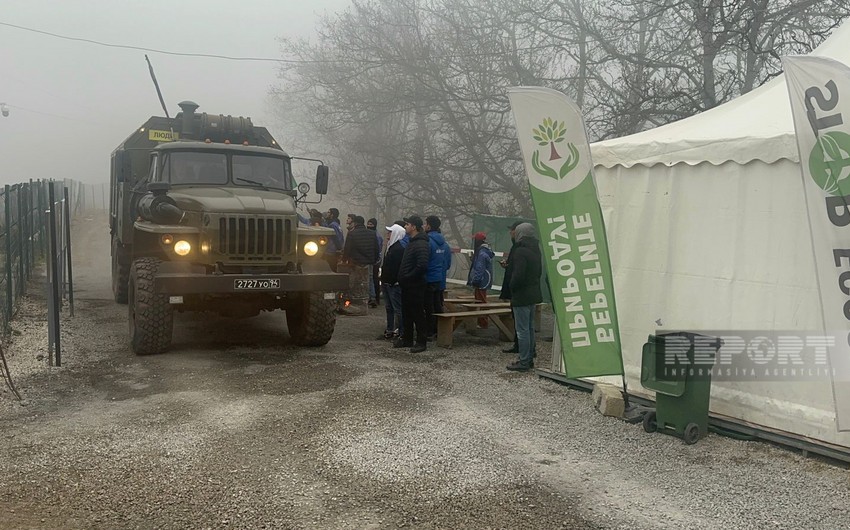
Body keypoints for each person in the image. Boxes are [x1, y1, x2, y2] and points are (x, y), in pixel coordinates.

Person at [505, 223, 543, 372]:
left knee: (521, 330)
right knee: (529, 327)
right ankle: (530, 355)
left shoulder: (520, 251)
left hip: (521, 294)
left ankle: (524, 360)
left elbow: (518, 275)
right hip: (533, 293)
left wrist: (512, 286)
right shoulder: (535, 250)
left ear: (521, 233)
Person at [395, 215, 430, 353]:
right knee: (407, 313)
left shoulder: (421, 243)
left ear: (414, 227)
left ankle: (421, 342)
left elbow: (422, 266)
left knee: (417, 314)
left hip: (415, 285)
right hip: (407, 285)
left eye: (407, 224)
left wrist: (408, 277)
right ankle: (407, 339)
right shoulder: (412, 241)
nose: (405, 227)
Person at [341, 215, 380, 315]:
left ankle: (353, 306)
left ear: (355, 223)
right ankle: (364, 305)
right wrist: (374, 260)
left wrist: (344, 260)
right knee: (366, 284)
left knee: (354, 284)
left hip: (355, 263)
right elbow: (376, 248)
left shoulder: (352, 234)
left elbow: (347, 249)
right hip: (368, 263)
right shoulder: (372, 234)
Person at [423, 215, 450, 338]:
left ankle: (429, 331)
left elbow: (424, 260)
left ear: (428, 225)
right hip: (440, 279)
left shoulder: (427, 241)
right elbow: (448, 263)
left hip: (428, 278)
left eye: (425, 223)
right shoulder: (444, 244)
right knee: (438, 304)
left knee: (429, 306)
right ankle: (439, 330)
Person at [379, 224, 406, 340]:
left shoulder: (399, 249)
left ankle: (401, 331)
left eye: (390, 232)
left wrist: (396, 281)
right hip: (386, 282)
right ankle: (390, 329)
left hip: (394, 284)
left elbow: (400, 268)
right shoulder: (390, 247)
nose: (388, 235)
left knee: (397, 309)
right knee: (389, 308)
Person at [499, 221, 522, 353]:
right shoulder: (515, 247)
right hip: (515, 290)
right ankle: (518, 345)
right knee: (517, 320)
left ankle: (523, 349)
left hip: (519, 292)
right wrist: (507, 266)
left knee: (522, 323)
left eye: (512, 230)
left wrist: (512, 285)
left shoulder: (520, 248)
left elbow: (520, 270)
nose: (510, 232)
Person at [467, 232, 495, 329]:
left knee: (481, 301)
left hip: (481, 281)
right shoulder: (485, 251)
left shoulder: (481, 253)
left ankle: (483, 322)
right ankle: (481, 321)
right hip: (485, 280)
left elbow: (480, 268)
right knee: (480, 300)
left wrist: (476, 280)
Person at [367, 217, 383, 307]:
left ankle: (375, 297)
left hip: (375, 260)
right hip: (374, 259)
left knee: (373, 278)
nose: (369, 226)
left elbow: (378, 248)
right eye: (368, 224)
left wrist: (375, 259)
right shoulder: (375, 235)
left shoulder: (377, 236)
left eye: (371, 225)